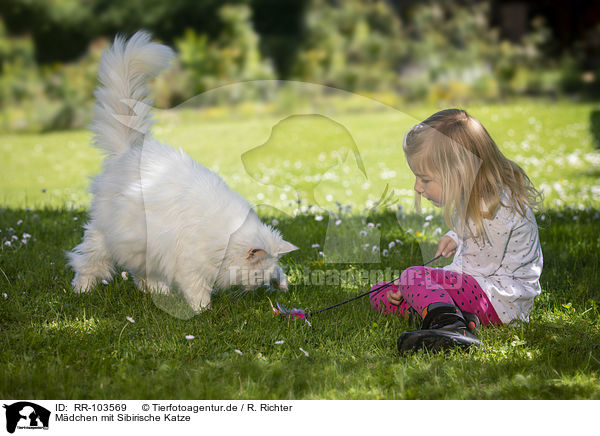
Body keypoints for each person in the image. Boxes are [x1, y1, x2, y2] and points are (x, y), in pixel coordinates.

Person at [369, 109, 543, 353]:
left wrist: (424, 279)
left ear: (457, 173)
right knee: (380, 291)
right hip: (481, 289)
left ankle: (451, 327)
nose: (417, 187)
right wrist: (453, 237)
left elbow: (473, 271)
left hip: (501, 300)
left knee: (413, 276)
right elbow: (474, 239)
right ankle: (451, 317)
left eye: (425, 179)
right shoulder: (476, 195)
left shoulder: (497, 210)